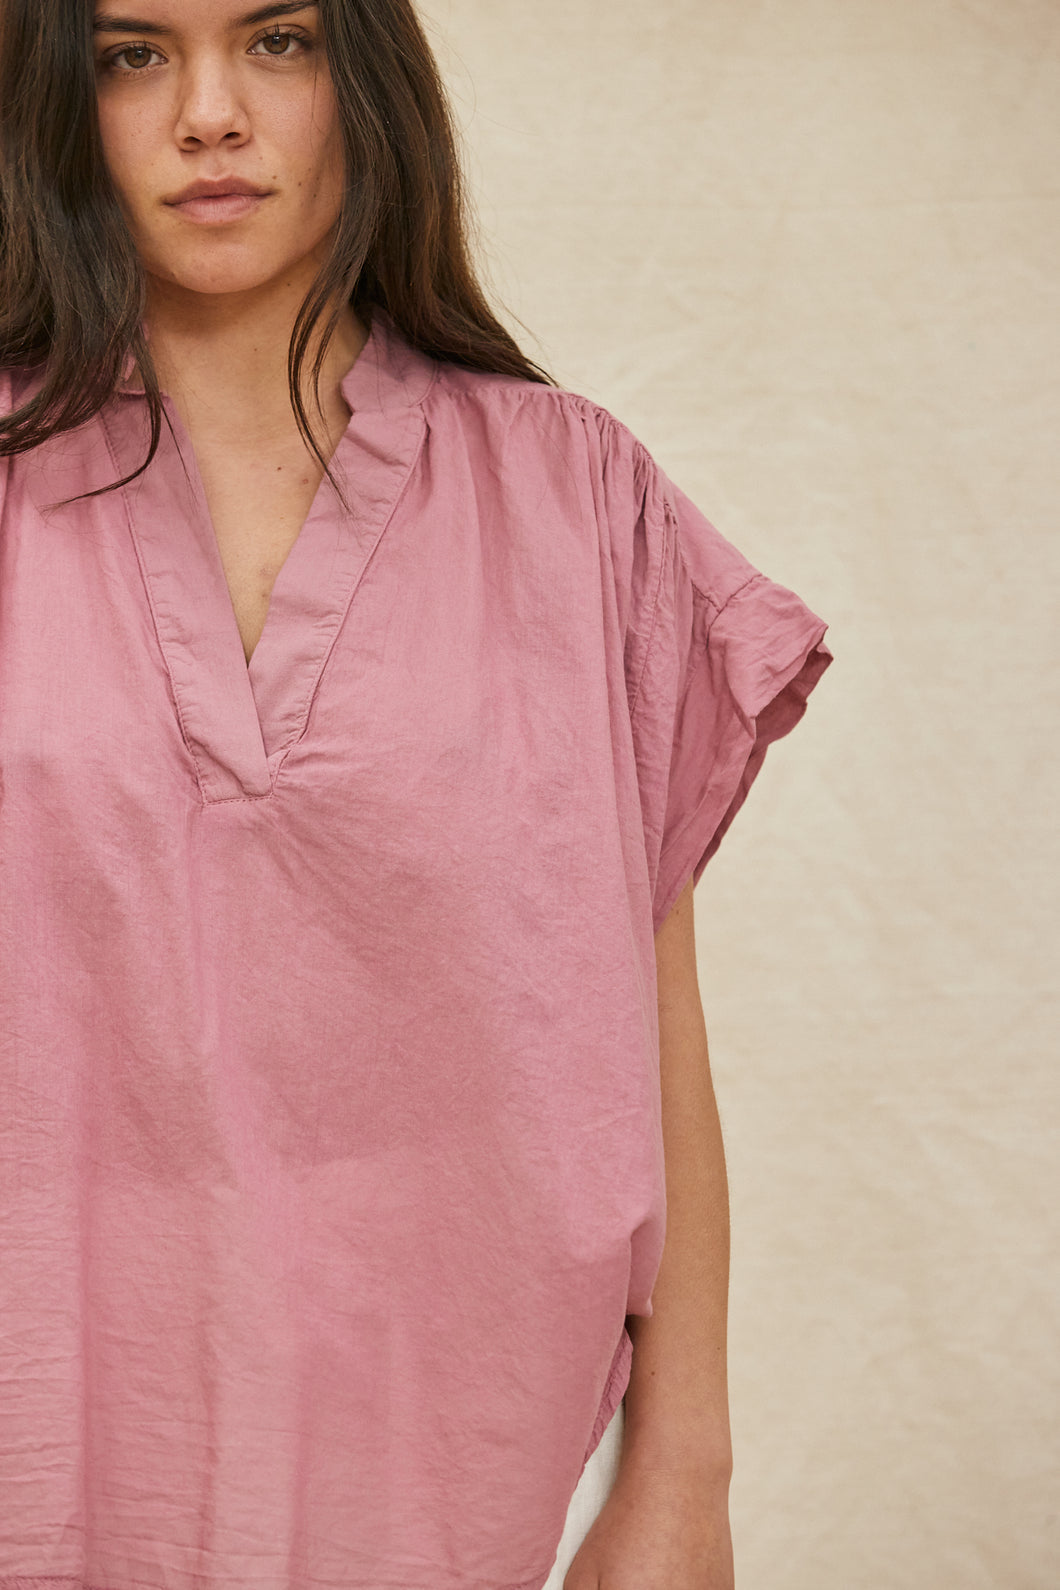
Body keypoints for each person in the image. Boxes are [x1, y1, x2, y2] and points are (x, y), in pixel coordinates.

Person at [0, 2, 833, 1587]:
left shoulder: (571, 495)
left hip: (451, 1468)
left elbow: (649, 1023)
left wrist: (685, 1472)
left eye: (279, 42)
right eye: (131, 54)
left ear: (366, 78)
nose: (209, 113)